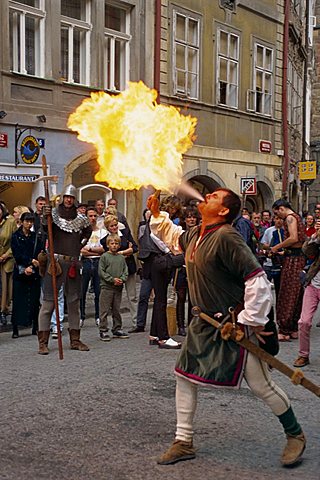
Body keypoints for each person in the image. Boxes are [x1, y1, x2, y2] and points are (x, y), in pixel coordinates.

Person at [147, 188, 306, 468]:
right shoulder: (197, 234)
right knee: (184, 376)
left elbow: (256, 279)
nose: (206, 196)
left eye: (214, 197)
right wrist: (158, 215)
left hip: (232, 324)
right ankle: (183, 441)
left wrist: (248, 321)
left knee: (261, 386)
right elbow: (172, 238)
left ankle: (295, 435)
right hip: (204, 322)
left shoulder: (227, 236)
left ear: (223, 211)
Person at [37, 184, 92, 355]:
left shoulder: (82, 219)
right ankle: (43, 342)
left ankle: (75, 340)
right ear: (62, 198)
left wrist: (79, 245)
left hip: (73, 264)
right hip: (55, 263)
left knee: (74, 303)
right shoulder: (52, 214)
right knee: (48, 304)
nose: (68, 200)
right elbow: (45, 230)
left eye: (71, 197)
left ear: (74, 199)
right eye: (66, 197)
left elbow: (87, 233)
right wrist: (45, 218)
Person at [271, 199, 306, 341]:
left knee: (287, 293)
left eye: (277, 213)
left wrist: (277, 247)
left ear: (281, 208)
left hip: (293, 260)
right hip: (299, 258)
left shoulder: (290, 218)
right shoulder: (297, 217)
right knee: (296, 294)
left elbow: (293, 238)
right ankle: (292, 328)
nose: (278, 217)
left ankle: (284, 328)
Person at [101, 214, 138, 331]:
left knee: (132, 296)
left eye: (116, 225)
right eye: (111, 226)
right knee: (115, 299)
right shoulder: (104, 240)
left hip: (129, 268)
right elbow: (110, 254)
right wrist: (127, 251)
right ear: (107, 227)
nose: (114, 227)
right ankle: (114, 325)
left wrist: (124, 252)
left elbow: (135, 248)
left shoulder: (125, 234)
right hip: (114, 272)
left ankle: (136, 321)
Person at [11, 212, 44, 338]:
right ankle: (15, 328)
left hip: (34, 270)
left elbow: (39, 252)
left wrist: (32, 265)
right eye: (27, 221)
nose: (29, 224)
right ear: (22, 221)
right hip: (20, 271)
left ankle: (35, 326)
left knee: (34, 300)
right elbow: (16, 253)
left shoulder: (35, 236)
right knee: (18, 300)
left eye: (31, 222)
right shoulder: (15, 236)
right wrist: (28, 263)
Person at [293, 220, 320, 367]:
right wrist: (315, 236)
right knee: (304, 322)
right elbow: (307, 252)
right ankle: (303, 355)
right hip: (314, 283)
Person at [98, 234, 128, 341]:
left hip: (118, 287)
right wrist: (111, 279)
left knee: (116, 309)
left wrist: (122, 279)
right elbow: (101, 272)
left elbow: (125, 270)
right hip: (107, 287)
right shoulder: (104, 257)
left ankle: (117, 328)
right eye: (112, 243)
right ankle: (103, 330)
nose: (114, 246)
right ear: (108, 245)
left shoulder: (121, 258)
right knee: (104, 310)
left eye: (116, 243)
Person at [80, 207, 106, 327]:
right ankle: (81, 316)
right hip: (85, 262)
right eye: (90, 216)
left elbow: (103, 249)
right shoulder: (82, 232)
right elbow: (81, 251)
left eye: (95, 216)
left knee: (98, 291)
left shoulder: (102, 232)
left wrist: (90, 249)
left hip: (97, 262)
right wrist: (94, 252)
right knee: (82, 291)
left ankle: (98, 316)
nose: (93, 218)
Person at [0, 202, 17, 326]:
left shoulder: (10, 221)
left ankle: (3, 311)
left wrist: (6, 255)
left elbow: (15, 241)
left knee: (5, 288)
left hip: (6, 259)